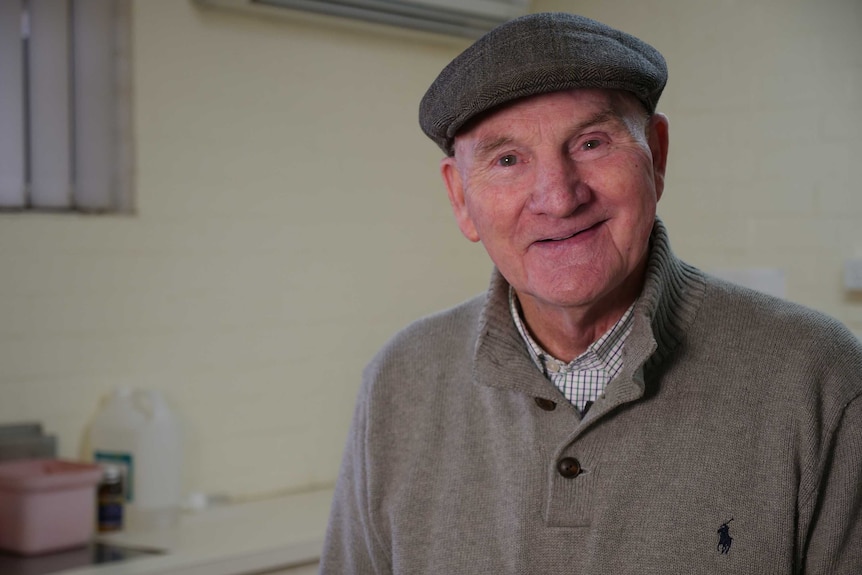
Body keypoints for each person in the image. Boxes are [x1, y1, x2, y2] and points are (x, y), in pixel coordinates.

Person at [320, 12, 862, 574]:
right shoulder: (398, 382)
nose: (558, 198)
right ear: (460, 198)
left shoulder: (817, 377)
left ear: (658, 155)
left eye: (591, 142)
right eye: (507, 160)